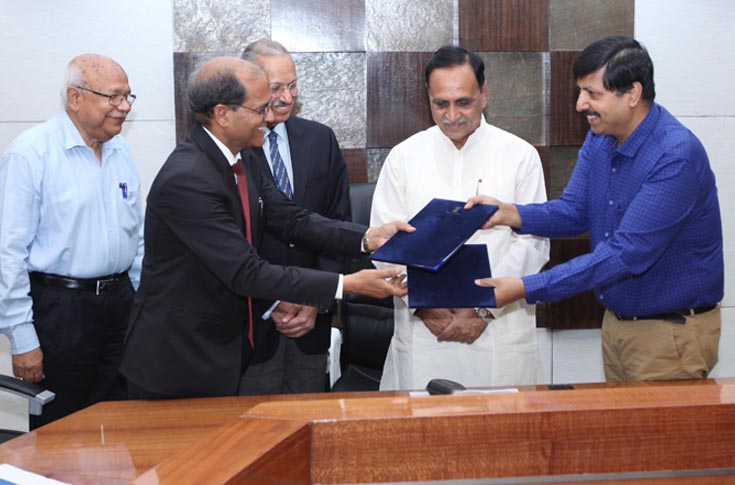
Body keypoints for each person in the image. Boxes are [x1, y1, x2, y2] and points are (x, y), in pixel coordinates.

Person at [119, 57, 411, 399]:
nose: (270, 117)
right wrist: (345, 284)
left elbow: (290, 218)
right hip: (180, 357)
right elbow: (246, 272)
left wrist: (367, 237)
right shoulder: (188, 178)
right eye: (260, 109)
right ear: (223, 114)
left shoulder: (242, 156)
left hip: (222, 349)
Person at [469, 35, 723, 382]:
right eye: (580, 91)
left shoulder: (675, 156)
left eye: (592, 93)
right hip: (618, 323)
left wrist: (524, 287)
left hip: (670, 335)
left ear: (632, 94)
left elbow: (625, 254)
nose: (580, 104)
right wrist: (508, 213)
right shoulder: (600, 136)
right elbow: (575, 211)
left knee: (651, 423)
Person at [370, 45, 550, 391]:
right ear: (428, 98)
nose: (452, 115)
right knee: (422, 422)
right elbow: (385, 245)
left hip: (499, 327)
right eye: (441, 103)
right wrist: (426, 309)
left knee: (500, 421)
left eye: (463, 102)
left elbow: (533, 244)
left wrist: (482, 310)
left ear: (484, 94)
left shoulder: (519, 155)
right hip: (424, 329)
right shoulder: (404, 157)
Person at [0, 54, 144, 425]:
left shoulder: (121, 150)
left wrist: (143, 306)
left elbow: (136, 234)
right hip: (61, 310)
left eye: (128, 96)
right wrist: (22, 337)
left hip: (120, 304)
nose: (124, 106)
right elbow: (8, 253)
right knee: (62, 429)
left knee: (121, 423)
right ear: (75, 97)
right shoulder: (31, 153)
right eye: (113, 96)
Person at [238, 39, 351, 395]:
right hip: (253, 320)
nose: (287, 97)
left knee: (309, 417)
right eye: (276, 89)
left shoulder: (321, 139)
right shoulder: (234, 146)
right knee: (252, 422)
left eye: (293, 85)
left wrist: (316, 299)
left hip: (311, 322)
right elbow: (230, 241)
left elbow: (337, 222)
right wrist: (272, 300)